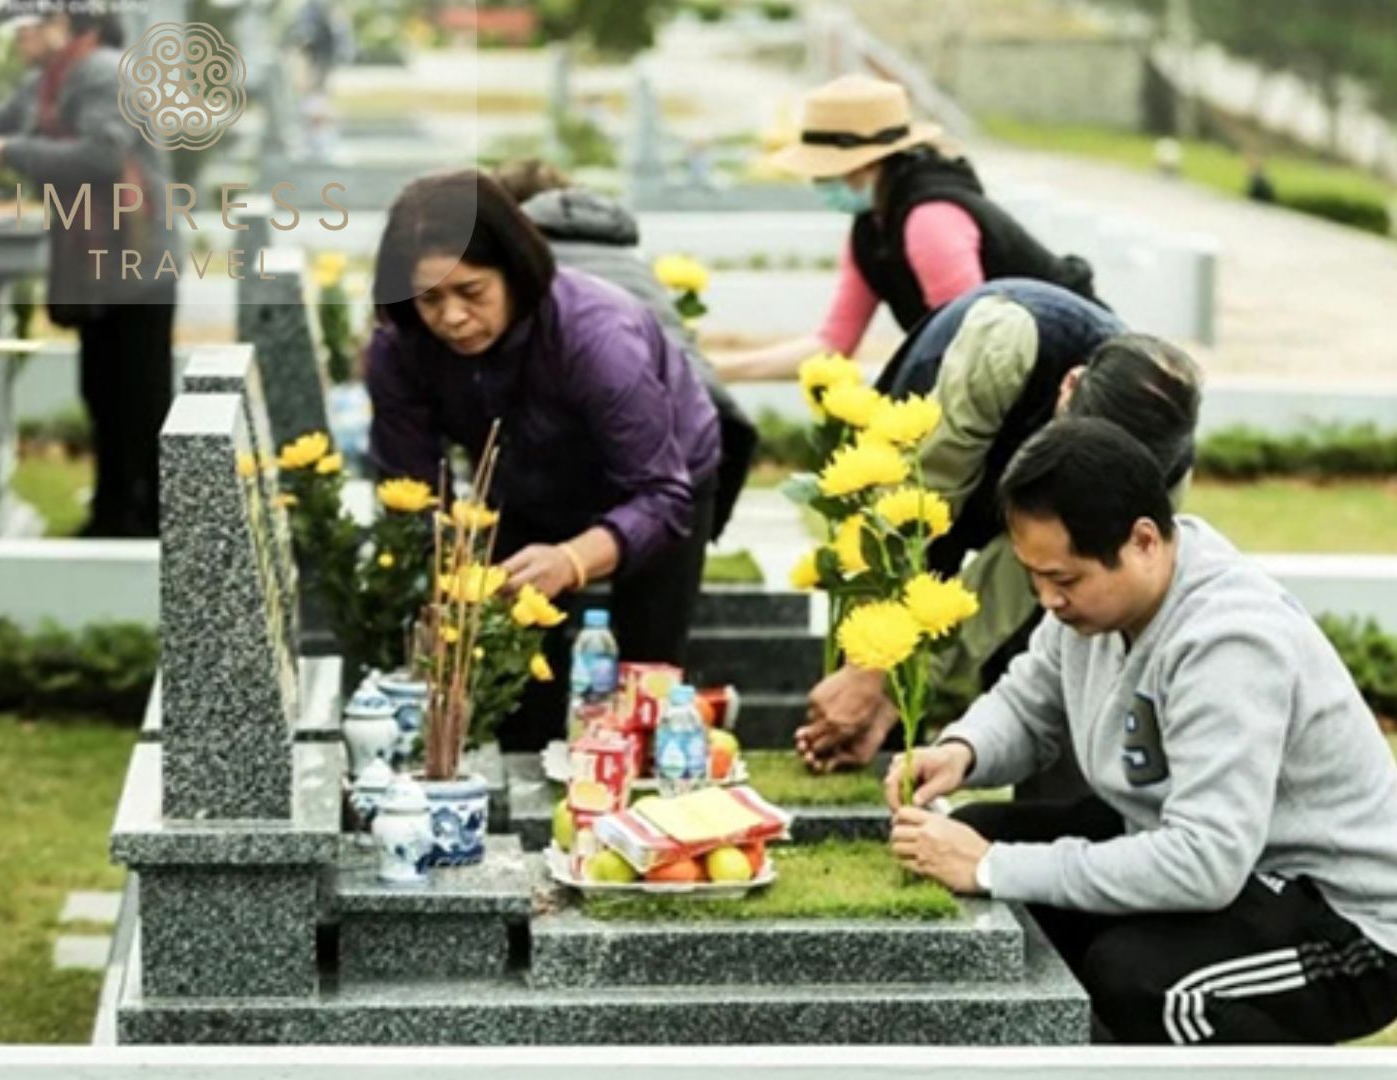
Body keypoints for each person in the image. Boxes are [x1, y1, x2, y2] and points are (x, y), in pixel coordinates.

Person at [889, 419, 1397, 1045]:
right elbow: (1029, 700)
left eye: (1064, 579)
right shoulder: (1094, 611)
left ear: (1144, 541)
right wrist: (961, 751)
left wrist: (994, 868)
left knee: (1143, 980)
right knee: (975, 833)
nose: (1047, 600)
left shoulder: (1229, 641)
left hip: (1345, 927)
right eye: (1034, 576)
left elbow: (1206, 861)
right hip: (1226, 867)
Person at [365, 171, 721, 750]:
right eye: (430, 298)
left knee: (645, 678)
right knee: (514, 681)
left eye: (471, 293)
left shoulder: (598, 336)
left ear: (515, 273)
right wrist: (439, 586)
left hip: (659, 481)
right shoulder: (401, 347)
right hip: (525, 485)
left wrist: (574, 560)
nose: (451, 318)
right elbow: (414, 492)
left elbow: (661, 495)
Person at [797, 283, 1201, 788]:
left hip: (1013, 512)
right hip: (925, 461)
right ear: (1068, 387)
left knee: (1036, 628)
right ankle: (851, 733)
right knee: (886, 629)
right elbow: (920, 510)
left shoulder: (1160, 477)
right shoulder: (1006, 345)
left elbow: (1016, 583)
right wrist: (872, 666)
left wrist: (906, 690)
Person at [0, 1, 175, 538]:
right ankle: (113, 518)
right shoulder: (47, 82)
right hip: (99, 267)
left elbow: (104, 155)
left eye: (24, 29)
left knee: (137, 400)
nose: (17, 41)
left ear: (61, 26)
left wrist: (14, 150)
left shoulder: (102, 73)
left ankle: (151, 523)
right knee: (102, 394)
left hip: (133, 263)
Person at [711, 75, 1098, 382]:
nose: (818, 183)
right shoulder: (872, 229)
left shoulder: (930, 220)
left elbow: (971, 346)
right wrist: (719, 370)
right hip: (1013, 374)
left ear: (865, 165)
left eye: (824, 171)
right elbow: (833, 344)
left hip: (1076, 372)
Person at [492, 159, 758, 542]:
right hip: (698, 426)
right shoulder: (628, 260)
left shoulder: (525, 274)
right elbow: (724, 419)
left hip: (618, 443)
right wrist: (704, 532)